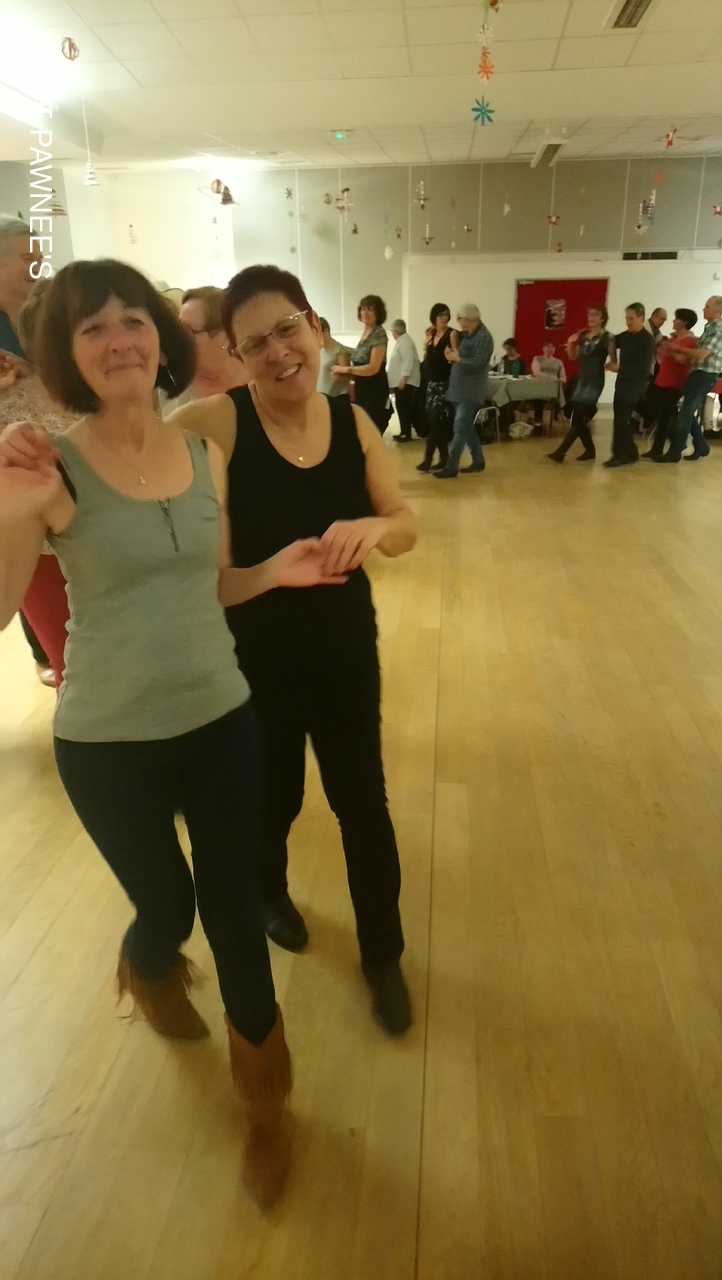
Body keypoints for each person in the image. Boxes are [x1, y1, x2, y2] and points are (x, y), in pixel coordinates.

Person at [0, 259, 351, 1207]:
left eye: (132, 319)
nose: (118, 339)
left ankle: (267, 1107)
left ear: (160, 337)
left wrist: (276, 570)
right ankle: (148, 967)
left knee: (234, 915)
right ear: (67, 355)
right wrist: (7, 505)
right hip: (106, 743)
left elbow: (213, 582)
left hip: (221, 719)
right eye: (92, 328)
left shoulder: (205, 455)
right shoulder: (50, 466)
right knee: (166, 906)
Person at [165, 265, 417, 1035]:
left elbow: (405, 525)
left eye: (286, 330)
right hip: (255, 663)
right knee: (273, 798)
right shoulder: (216, 423)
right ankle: (270, 891)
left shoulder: (353, 423)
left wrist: (376, 527)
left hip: (346, 652)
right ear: (234, 356)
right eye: (254, 344)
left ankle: (383, 954)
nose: (277, 353)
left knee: (362, 803)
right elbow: (212, 578)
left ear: (313, 325)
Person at [0, 280, 75, 688]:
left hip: (112, 542)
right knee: (73, 669)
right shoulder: (11, 399)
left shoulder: (112, 391)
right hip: (43, 556)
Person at [158, 286, 247, 413]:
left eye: (188, 331)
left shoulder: (259, 381)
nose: (178, 338)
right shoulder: (174, 386)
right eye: (178, 328)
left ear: (226, 336)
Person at [658, 295, 722, 463]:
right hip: (698, 374)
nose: (703, 309)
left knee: (685, 412)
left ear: (717, 311)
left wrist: (679, 347)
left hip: (704, 375)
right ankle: (701, 446)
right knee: (686, 411)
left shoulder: (718, 329)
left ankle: (675, 452)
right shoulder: (710, 328)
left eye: (707, 307)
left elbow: (702, 354)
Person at [548, 305, 613, 463]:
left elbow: (613, 360)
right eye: (589, 314)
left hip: (595, 381)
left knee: (578, 415)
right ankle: (590, 450)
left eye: (595, 314)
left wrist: (609, 365)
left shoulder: (608, 337)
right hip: (581, 379)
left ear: (603, 318)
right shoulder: (584, 336)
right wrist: (571, 343)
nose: (591, 317)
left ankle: (561, 452)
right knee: (578, 417)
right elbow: (572, 357)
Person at [435, 303, 493, 479]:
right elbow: (463, 358)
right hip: (459, 387)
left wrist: (458, 359)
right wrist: (452, 357)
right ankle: (478, 460)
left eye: (460, 319)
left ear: (468, 319)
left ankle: (452, 466)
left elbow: (478, 363)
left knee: (460, 426)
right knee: (466, 426)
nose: (458, 322)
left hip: (471, 390)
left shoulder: (484, 337)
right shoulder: (468, 335)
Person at [603, 303, 656, 468]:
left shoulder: (647, 340)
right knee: (620, 420)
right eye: (626, 318)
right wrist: (612, 358)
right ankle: (630, 452)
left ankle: (620, 455)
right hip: (622, 383)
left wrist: (618, 367)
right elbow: (610, 339)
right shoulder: (626, 336)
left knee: (621, 420)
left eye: (631, 318)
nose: (628, 322)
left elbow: (643, 369)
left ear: (641, 318)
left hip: (635, 386)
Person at [640, 308, 697, 460]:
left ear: (684, 322)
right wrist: (664, 347)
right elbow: (661, 357)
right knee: (657, 412)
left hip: (673, 381)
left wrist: (672, 349)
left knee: (664, 416)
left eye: (676, 319)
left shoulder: (689, 340)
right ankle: (664, 446)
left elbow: (683, 360)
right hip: (663, 379)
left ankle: (661, 447)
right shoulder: (674, 338)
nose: (673, 321)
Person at [331, 294, 389, 432]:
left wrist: (345, 369)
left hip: (374, 392)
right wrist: (343, 374)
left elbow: (373, 368)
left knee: (370, 432)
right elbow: (359, 368)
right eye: (363, 308)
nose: (365, 312)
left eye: (370, 309)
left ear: (378, 313)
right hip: (361, 390)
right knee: (361, 430)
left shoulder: (379, 334)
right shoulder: (365, 334)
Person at [417, 302, 455, 473]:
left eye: (446, 314)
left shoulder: (451, 334)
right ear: (434, 317)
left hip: (444, 383)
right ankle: (444, 458)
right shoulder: (431, 334)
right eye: (441, 315)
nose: (444, 318)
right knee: (435, 424)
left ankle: (427, 460)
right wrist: (427, 341)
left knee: (435, 422)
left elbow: (456, 356)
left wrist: (451, 356)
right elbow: (427, 356)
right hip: (431, 383)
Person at [387, 318, 421, 442]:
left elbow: (408, 360)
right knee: (401, 407)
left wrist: (403, 378)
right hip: (402, 381)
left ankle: (406, 433)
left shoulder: (405, 341)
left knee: (403, 407)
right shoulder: (402, 341)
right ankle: (404, 432)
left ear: (395, 331)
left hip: (405, 381)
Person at [531, 340, 566, 428]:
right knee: (538, 397)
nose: (550, 349)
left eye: (552, 347)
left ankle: (555, 417)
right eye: (548, 347)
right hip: (540, 385)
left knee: (555, 390)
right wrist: (549, 378)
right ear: (543, 348)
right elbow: (536, 372)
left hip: (553, 386)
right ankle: (538, 422)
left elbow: (563, 378)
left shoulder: (559, 362)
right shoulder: (537, 359)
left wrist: (558, 380)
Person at [317, 317, 350, 397]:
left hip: (335, 396)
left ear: (326, 331)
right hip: (320, 394)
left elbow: (347, 375)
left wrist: (339, 375)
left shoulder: (339, 350)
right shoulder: (318, 349)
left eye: (318, 333)